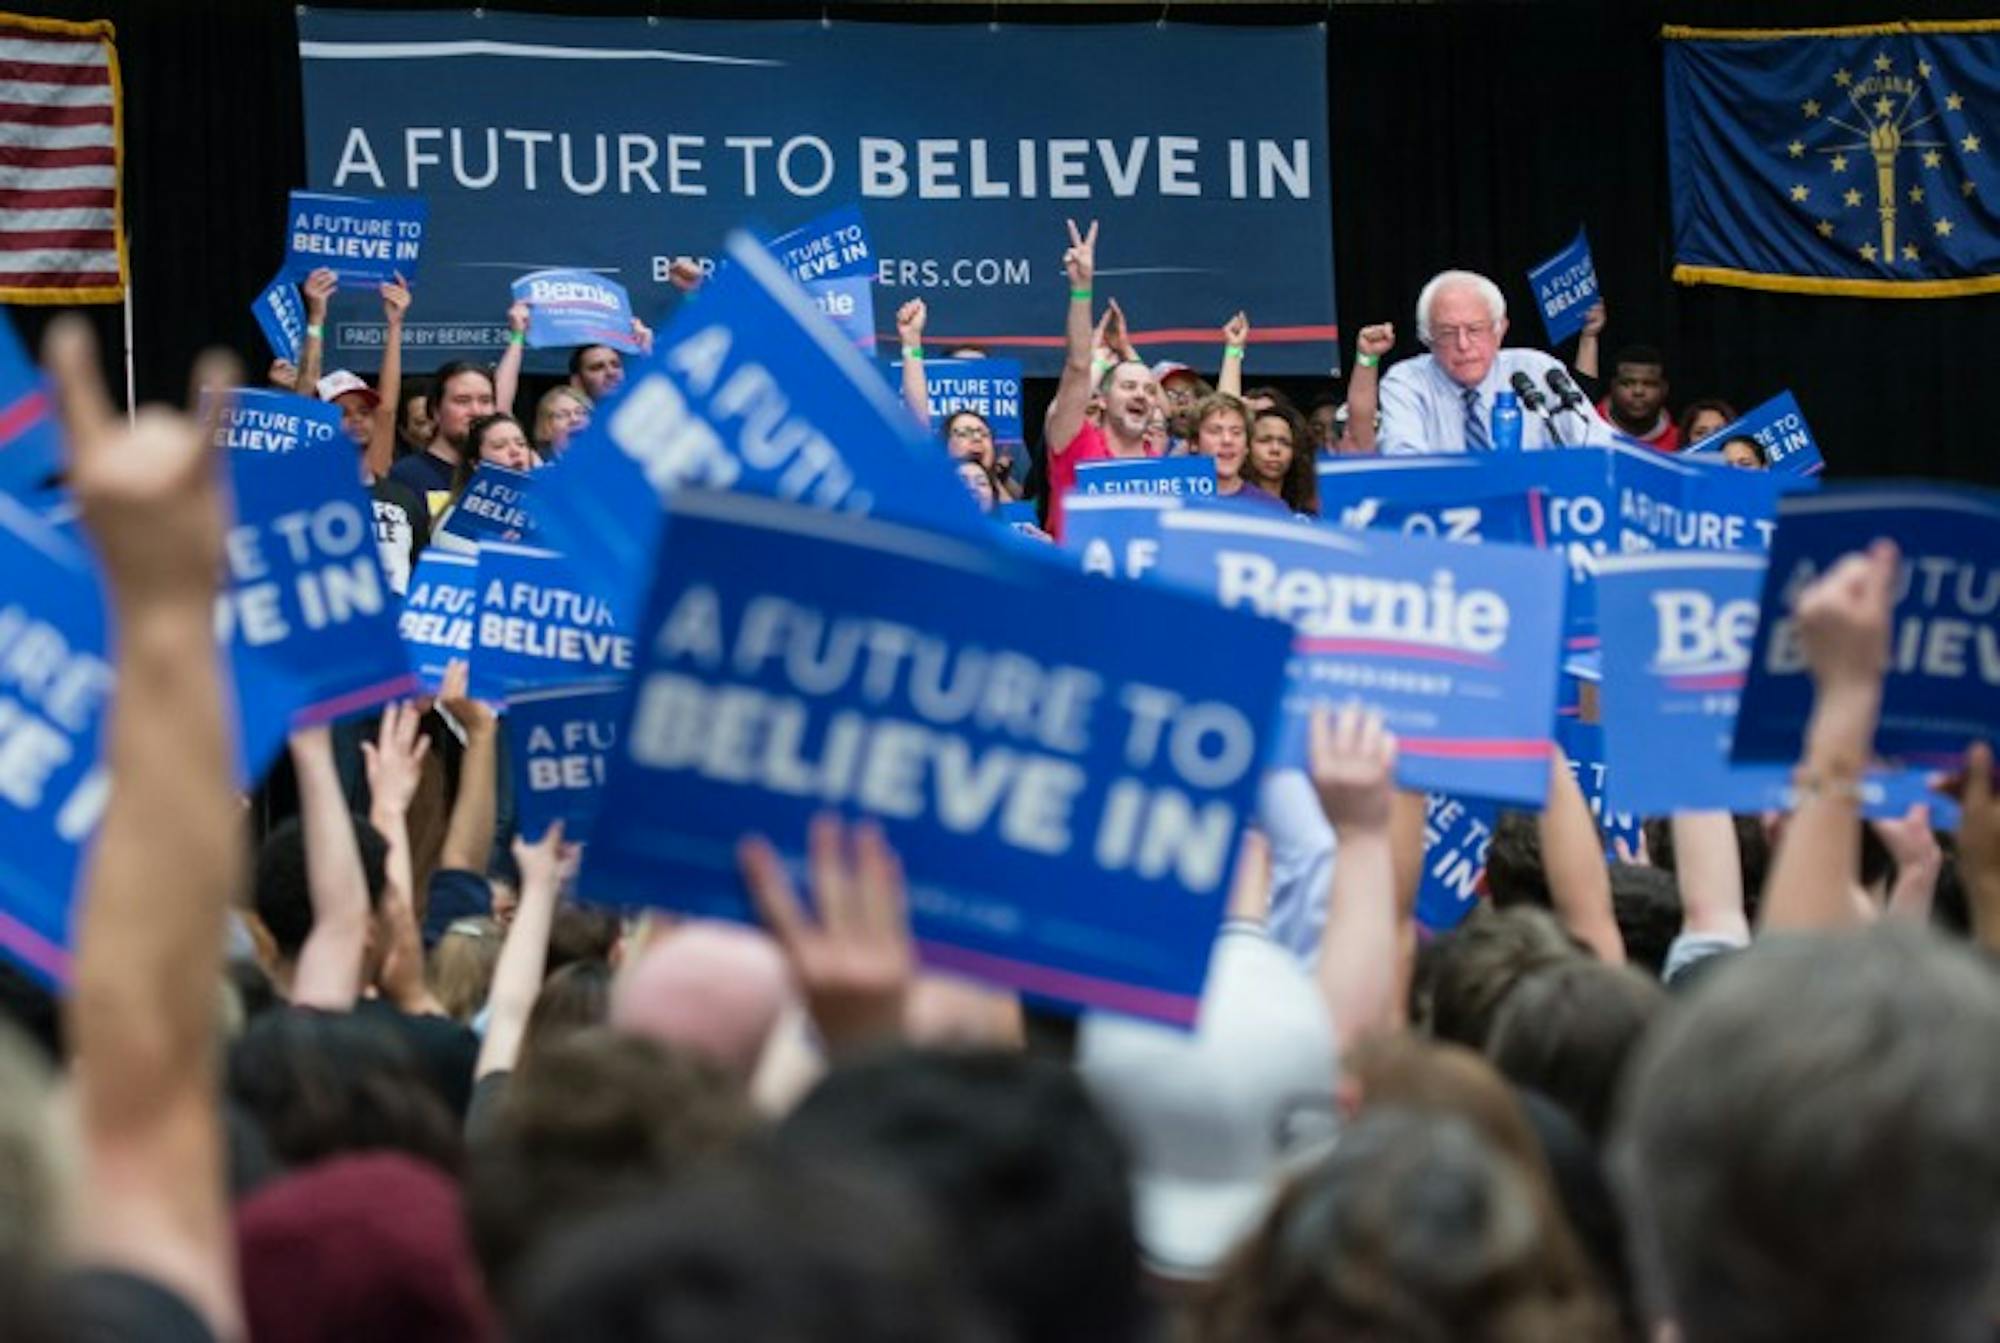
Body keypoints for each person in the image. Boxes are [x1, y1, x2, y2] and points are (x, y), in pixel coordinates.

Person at [1377, 270, 1618, 455]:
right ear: (1427, 338)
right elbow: (1405, 464)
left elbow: (1600, 443)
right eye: (1447, 332)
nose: (1463, 344)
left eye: (1475, 330)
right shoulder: (1406, 382)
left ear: (1500, 330)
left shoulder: (1536, 371)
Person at [1041, 219, 1160, 540]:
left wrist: (1129, 353)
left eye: (1150, 390)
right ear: (1102, 399)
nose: (1142, 395)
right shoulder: (1076, 441)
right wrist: (1081, 289)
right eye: (1128, 386)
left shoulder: (1161, 465)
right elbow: (1078, 366)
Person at [387, 360, 499, 513]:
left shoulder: (501, 477)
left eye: (485, 401)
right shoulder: (406, 476)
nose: (476, 411)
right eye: (462, 401)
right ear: (435, 411)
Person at [1596, 345, 1679, 452]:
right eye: (1627, 383)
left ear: (1664, 389)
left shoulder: (1682, 444)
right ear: (1612, 386)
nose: (1638, 391)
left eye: (1649, 384)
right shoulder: (1585, 432)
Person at [1244, 402, 1320, 514]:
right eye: (1265, 440)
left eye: (1285, 442)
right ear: (1246, 446)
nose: (1275, 449)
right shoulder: (1232, 506)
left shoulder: (1307, 515)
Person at [532, 385, 590, 459]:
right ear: (546, 428)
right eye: (562, 415)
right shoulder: (538, 467)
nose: (575, 419)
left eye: (580, 412)